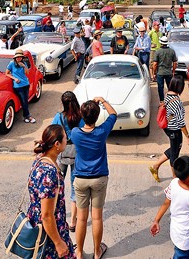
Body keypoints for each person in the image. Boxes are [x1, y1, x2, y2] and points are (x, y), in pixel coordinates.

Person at [72, 97, 117, 259]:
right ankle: (97, 251)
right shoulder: (101, 132)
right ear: (97, 117)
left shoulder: (75, 133)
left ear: (82, 115)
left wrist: (87, 107)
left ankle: (78, 252)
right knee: (97, 217)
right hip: (99, 178)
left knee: (82, 218)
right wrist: (103, 101)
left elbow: (77, 119)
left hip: (80, 179)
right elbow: (113, 114)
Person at [27, 124, 75, 259]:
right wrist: (58, 243)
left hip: (39, 225)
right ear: (57, 144)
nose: (68, 140)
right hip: (50, 233)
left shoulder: (40, 159)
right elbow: (47, 215)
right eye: (65, 138)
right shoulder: (49, 173)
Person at [149, 76, 189, 182]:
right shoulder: (176, 102)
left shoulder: (168, 94)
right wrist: (188, 137)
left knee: (175, 148)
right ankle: (175, 179)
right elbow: (181, 122)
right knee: (174, 154)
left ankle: (156, 166)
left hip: (168, 128)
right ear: (180, 87)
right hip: (174, 130)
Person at [52, 91, 83, 232]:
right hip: (77, 153)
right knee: (75, 186)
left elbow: (51, 132)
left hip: (62, 153)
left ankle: (54, 214)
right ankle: (72, 222)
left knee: (57, 185)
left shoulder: (59, 117)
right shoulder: (80, 117)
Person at [6, 49, 35, 123]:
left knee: (26, 101)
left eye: (20, 57)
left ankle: (26, 117)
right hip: (18, 86)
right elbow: (7, 73)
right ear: (15, 57)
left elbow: (27, 73)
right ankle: (28, 116)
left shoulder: (23, 63)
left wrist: (24, 66)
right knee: (23, 101)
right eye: (17, 57)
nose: (19, 58)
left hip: (26, 84)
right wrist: (14, 78)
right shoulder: (11, 64)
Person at [151, 36, 177, 103]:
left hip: (160, 72)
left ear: (161, 43)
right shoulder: (172, 51)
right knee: (170, 88)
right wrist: (173, 71)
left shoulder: (158, 51)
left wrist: (154, 73)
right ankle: (171, 101)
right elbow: (175, 63)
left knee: (160, 88)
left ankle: (162, 101)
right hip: (169, 72)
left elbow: (155, 64)